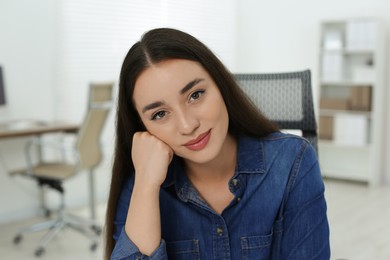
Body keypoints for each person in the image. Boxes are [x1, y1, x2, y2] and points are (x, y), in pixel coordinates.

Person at [105, 28, 330, 260]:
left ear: (220, 84)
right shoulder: (142, 185)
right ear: (143, 127)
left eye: (195, 95)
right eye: (160, 114)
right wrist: (146, 186)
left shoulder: (292, 161)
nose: (187, 125)